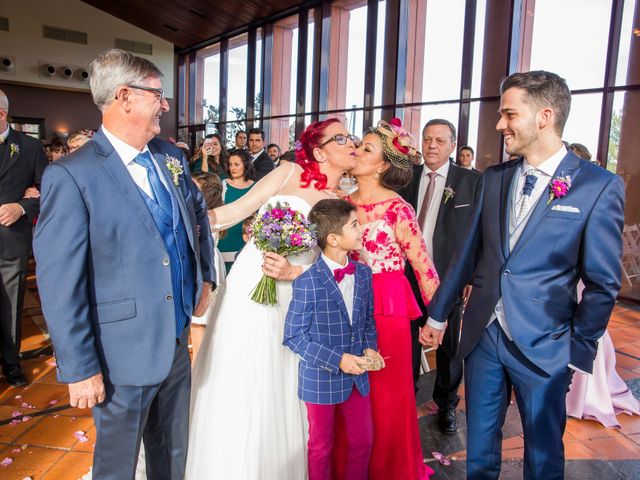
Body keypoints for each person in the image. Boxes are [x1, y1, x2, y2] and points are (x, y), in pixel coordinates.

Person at [420, 70, 625, 480]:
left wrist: (575, 352)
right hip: (484, 338)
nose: (500, 125)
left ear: (544, 116)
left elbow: (604, 284)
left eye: (509, 115)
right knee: (480, 451)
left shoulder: (598, 186)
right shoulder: (495, 178)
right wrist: (438, 315)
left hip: (546, 348)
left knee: (543, 458)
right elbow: (466, 254)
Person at [33, 49, 216, 480]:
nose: (165, 105)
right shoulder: (73, 176)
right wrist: (79, 369)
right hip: (119, 355)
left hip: (173, 341)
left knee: (172, 454)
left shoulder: (170, 158)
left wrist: (204, 274)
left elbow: (197, 218)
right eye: (158, 94)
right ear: (124, 97)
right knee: (116, 466)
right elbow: (61, 284)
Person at [185, 118, 358, 479]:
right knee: (242, 372)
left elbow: (341, 270)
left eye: (351, 136)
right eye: (340, 137)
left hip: (298, 299)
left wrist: (298, 273)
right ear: (318, 150)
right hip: (252, 288)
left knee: (285, 380)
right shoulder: (287, 173)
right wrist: (186, 223)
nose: (350, 142)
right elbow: (236, 211)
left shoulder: (344, 202)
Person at [344, 118, 439, 480]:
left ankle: (390, 469)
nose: (357, 150)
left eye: (366, 148)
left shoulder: (399, 209)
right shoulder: (340, 202)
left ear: (383, 164)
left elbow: (423, 266)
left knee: (386, 394)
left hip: (387, 305)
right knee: (351, 390)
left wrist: (437, 317)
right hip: (346, 300)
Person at [284, 198, 383, 480]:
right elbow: (294, 337)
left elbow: (367, 321)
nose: (361, 229)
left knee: (363, 441)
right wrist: (338, 359)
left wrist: (370, 347)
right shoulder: (308, 281)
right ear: (333, 239)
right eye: (354, 225)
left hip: (357, 378)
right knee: (321, 447)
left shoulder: (363, 274)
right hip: (321, 378)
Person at [399, 119, 480, 434]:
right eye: (427, 139)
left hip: (449, 280)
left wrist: (471, 277)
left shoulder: (471, 182)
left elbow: (479, 235)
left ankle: (446, 405)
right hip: (407, 277)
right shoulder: (407, 178)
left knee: (449, 348)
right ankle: (405, 400)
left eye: (440, 140)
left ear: (452, 145)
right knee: (408, 343)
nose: (432, 145)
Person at [0, 88, 48, 387]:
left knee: (11, 304)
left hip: (10, 241)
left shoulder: (29, 148)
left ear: (1, 114)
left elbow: (48, 191)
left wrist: (22, 206)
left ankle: (11, 361)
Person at [190, 171, 226, 363]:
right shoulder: (208, 215)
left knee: (199, 330)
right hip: (210, 263)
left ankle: (197, 378)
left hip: (205, 266)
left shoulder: (206, 217)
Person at [217, 148, 256, 271]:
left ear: (246, 165)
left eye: (236, 164)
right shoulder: (223, 185)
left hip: (247, 237)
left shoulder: (255, 186)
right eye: (230, 164)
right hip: (226, 237)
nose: (232, 168)